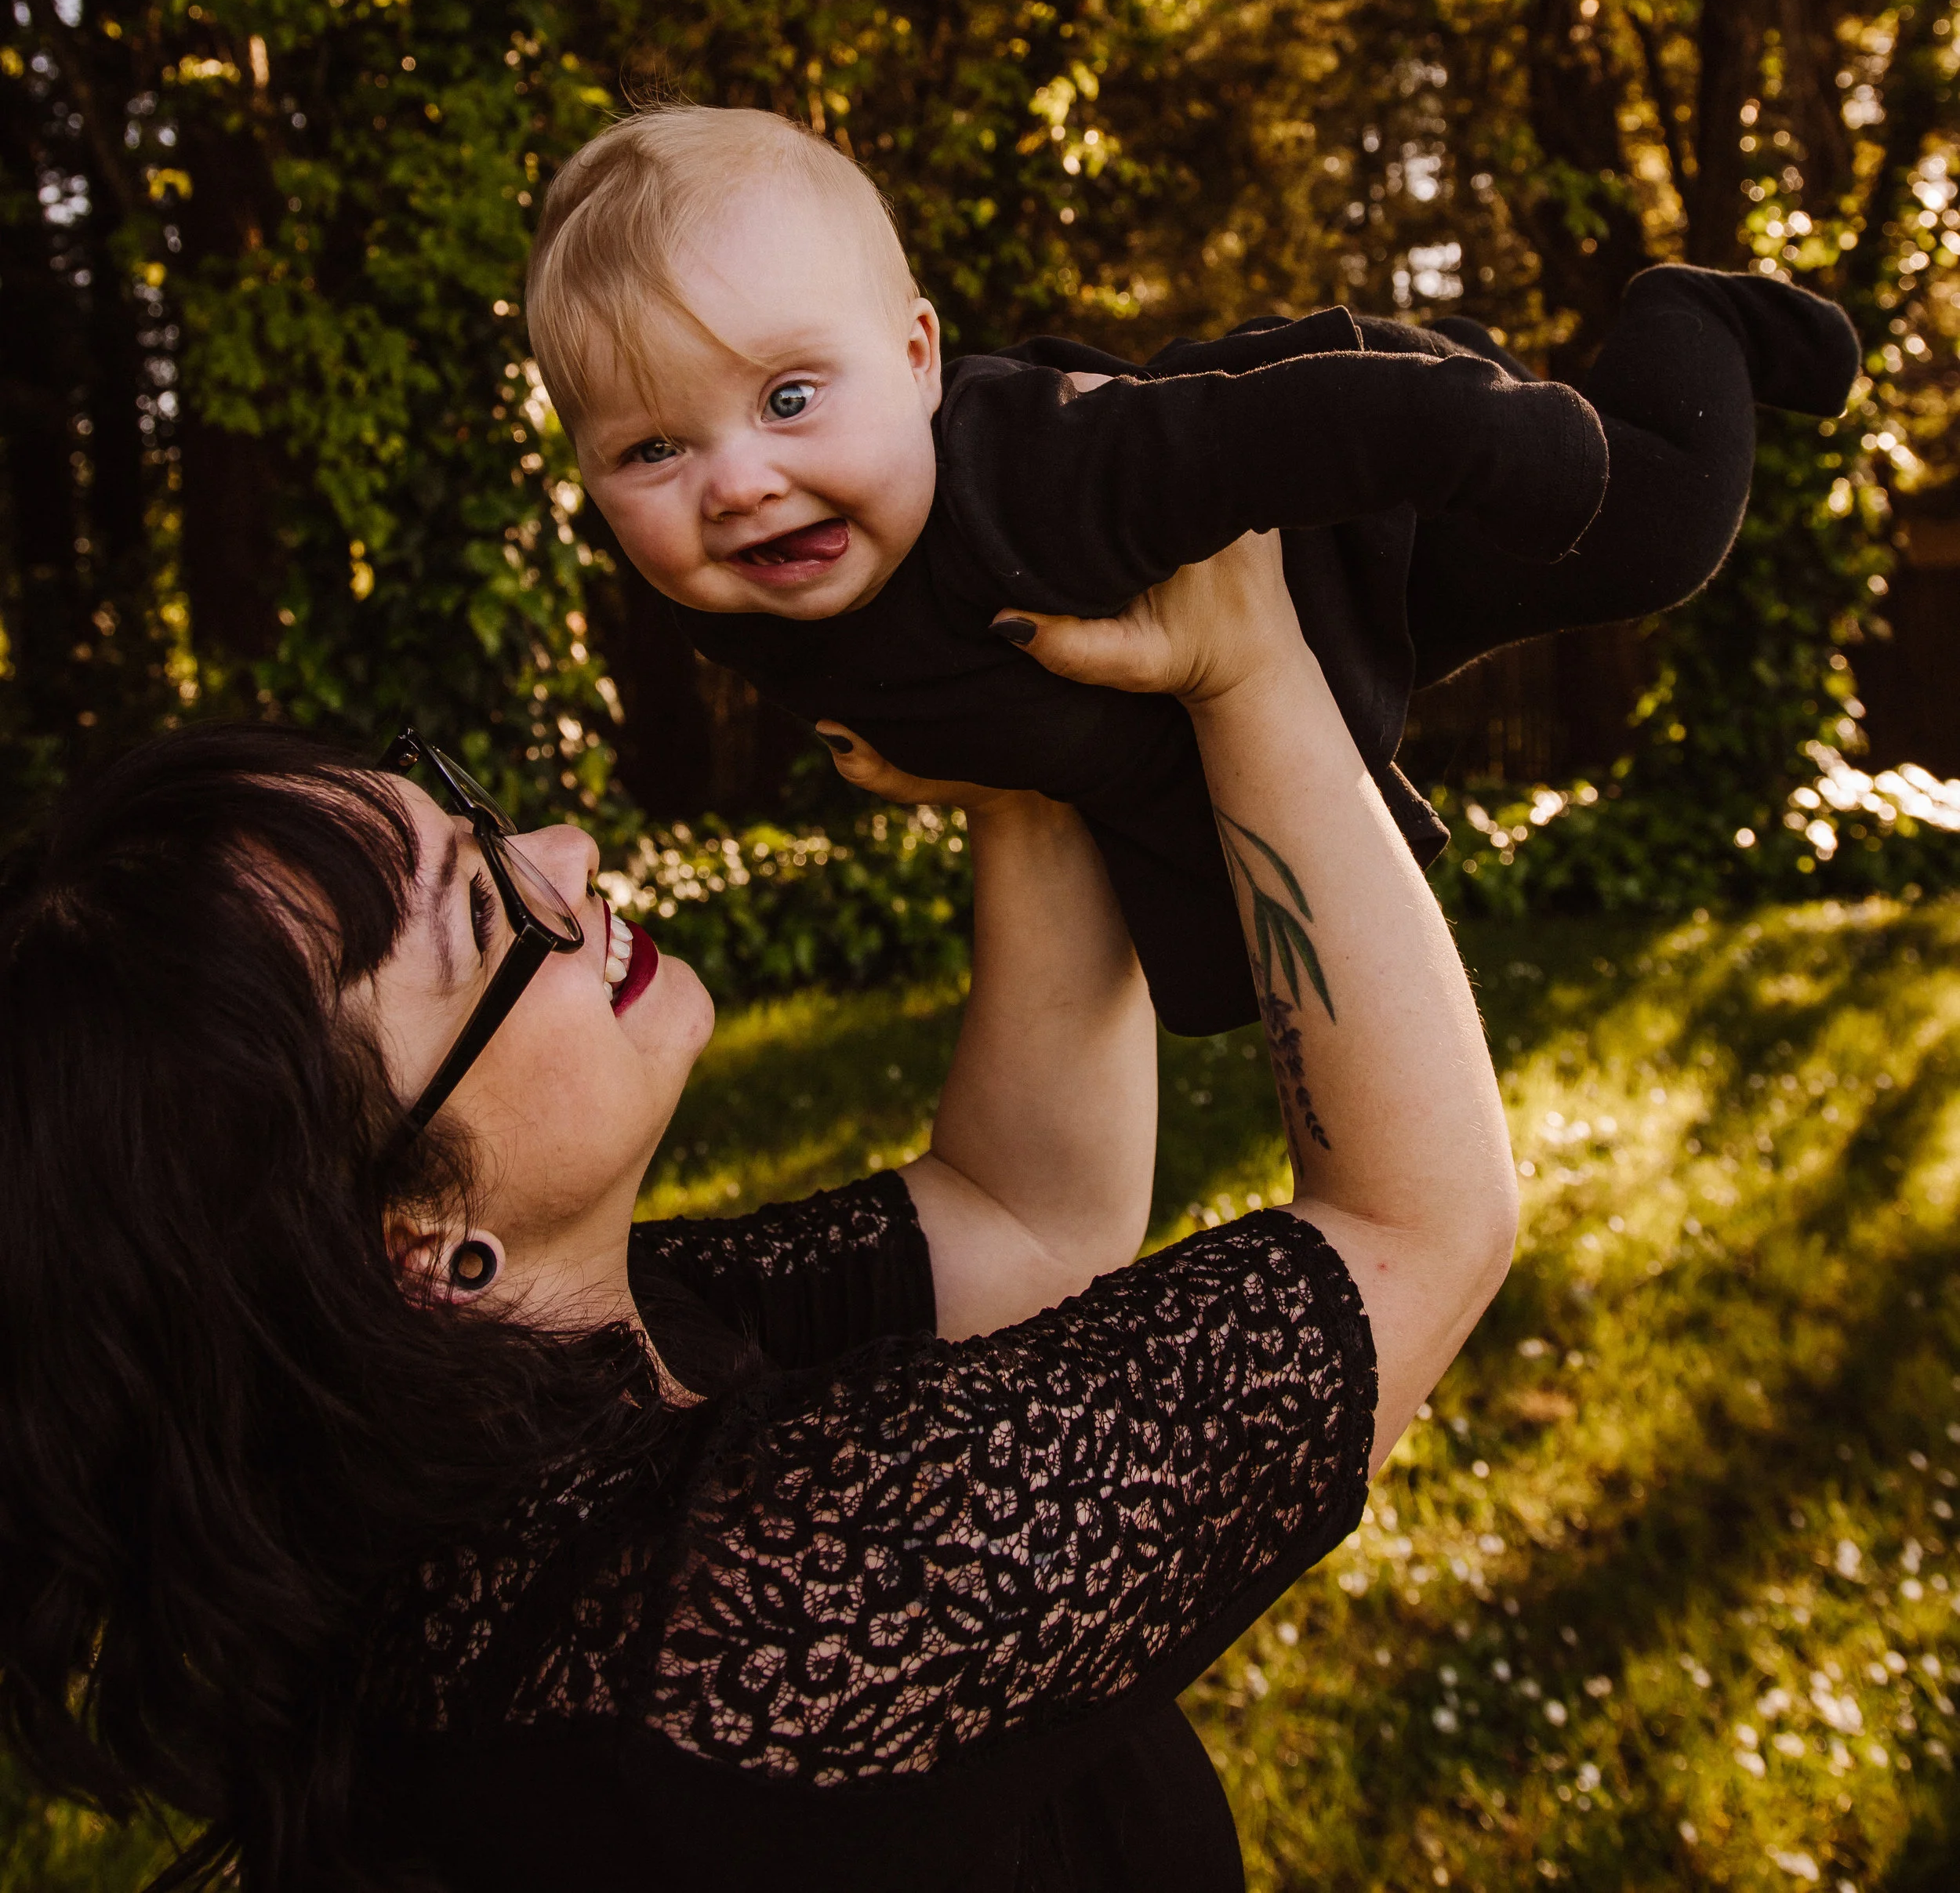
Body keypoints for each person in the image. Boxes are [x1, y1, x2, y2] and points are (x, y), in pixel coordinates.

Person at [0, 533, 1515, 1893]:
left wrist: (1018, 759)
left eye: (473, 821)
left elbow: (1022, 1215)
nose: (566, 855)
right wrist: (1250, 660)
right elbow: (1413, 1228)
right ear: (413, 1247)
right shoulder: (730, 1620)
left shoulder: (519, 1410)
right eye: (481, 912)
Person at [525, 99, 1860, 1030]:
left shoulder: (1033, 478)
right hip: (1316, 629)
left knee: (1662, 529)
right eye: (653, 447)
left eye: (789, 398)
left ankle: (1691, 314)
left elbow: (1263, 433)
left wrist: (1495, 441)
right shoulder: (736, 590)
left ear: (919, 361)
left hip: (1364, 500)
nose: (735, 483)